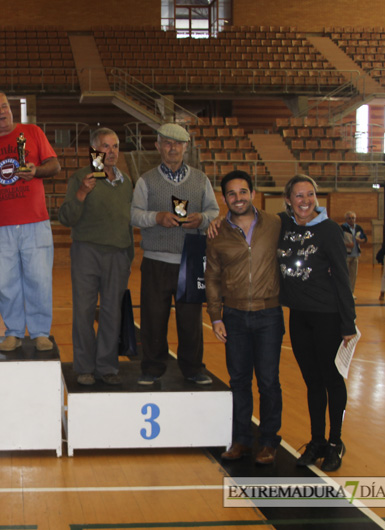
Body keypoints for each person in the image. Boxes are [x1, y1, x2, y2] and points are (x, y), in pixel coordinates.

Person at [0, 91, 61, 352]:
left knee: (39, 279)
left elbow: (54, 166)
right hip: (1, 225)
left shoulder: (32, 132)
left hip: (36, 221)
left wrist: (35, 171)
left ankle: (41, 331)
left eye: (5, 106)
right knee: (5, 282)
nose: (1, 112)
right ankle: (13, 331)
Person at [277, 174, 356, 472]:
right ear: (288, 200)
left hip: (328, 317)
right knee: (312, 382)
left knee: (332, 379)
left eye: (310, 194)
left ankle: (335, 443)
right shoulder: (283, 226)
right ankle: (317, 441)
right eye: (299, 195)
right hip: (299, 316)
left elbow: (342, 276)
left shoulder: (329, 230)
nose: (305, 200)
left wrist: (348, 322)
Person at [130, 122, 219, 385]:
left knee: (190, 320)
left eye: (178, 143)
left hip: (189, 262)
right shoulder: (146, 180)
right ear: (158, 146)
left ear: (185, 148)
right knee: (153, 317)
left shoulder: (201, 180)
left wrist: (201, 219)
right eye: (167, 143)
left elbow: (214, 213)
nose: (173, 148)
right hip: (156, 260)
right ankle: (152, 367)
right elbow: (134, 215)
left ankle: (193, 368)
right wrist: (157, 217)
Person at [205, 171, 283, 465]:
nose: (238, 198)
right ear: (224, 198)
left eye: (243, 192)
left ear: (253, 193)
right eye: (231, 194)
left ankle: (268, 442)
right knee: (238, 380)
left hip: (269, 315)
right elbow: (211, 277)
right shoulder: (216, 233)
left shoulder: (274, 224)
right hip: (234, 316)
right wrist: (215, 316)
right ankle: (241, 440)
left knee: (268, 381)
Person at [58, 128, 133, 386]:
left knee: (112, 313)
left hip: (118, 254)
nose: (110, 151)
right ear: (93, 150)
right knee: (84, 312)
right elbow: (66, 217)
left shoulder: (127, 182)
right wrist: (81, 193)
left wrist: (128, 254)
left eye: (114, 146)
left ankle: (107, 367)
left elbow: (127, 221)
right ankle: (84, 367)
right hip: (86, 252)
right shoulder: (81, 177)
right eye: (105, 146)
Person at [339, 211, 367, 296]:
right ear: (346, 219)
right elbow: (337, 241)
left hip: (355, 255)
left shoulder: (358, 228)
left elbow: (365, 239)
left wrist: (361, 241)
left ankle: (351, 292)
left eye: (353, 218)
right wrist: (347, 245)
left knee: (353, 275)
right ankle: (344, 292)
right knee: (345, 275)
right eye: (349, 218)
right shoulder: (342, 228)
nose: (351, 220)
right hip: (346, 255)